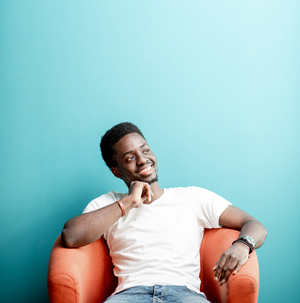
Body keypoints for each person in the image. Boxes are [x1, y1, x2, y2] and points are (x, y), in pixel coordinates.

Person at [61, 122, 267, 303]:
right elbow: (71, 236)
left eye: (145, 150)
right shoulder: (109, 203)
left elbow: (254, 224)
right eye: (130, 158)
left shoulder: (192, 198)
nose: (142, 160)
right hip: (129, 295)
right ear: (117, 172)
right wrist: (128, 203)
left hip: (186, 295)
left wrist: (243, 244)